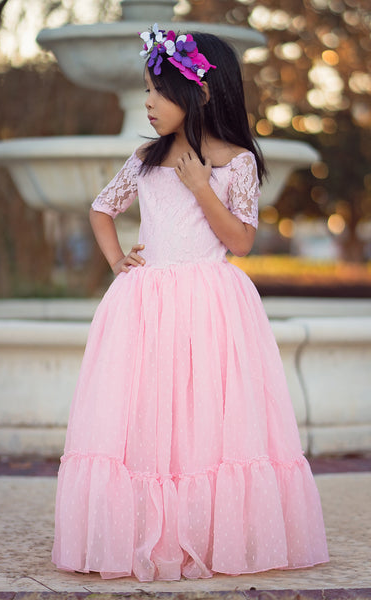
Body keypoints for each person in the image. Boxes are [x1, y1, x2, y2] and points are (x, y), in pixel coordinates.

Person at [52, 25, 329, 582]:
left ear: (200, 93)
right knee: (149, 415)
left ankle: (208, 532)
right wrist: (116, 263)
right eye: (148, 90)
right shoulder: (146, 159)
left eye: (159, 90)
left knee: (206, 417)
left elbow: (242, 241)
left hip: (208, 302)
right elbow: (102, 209)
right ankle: (146, 532)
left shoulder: (237, 162)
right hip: (147, 301)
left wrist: (203, 187)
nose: (149, 102)